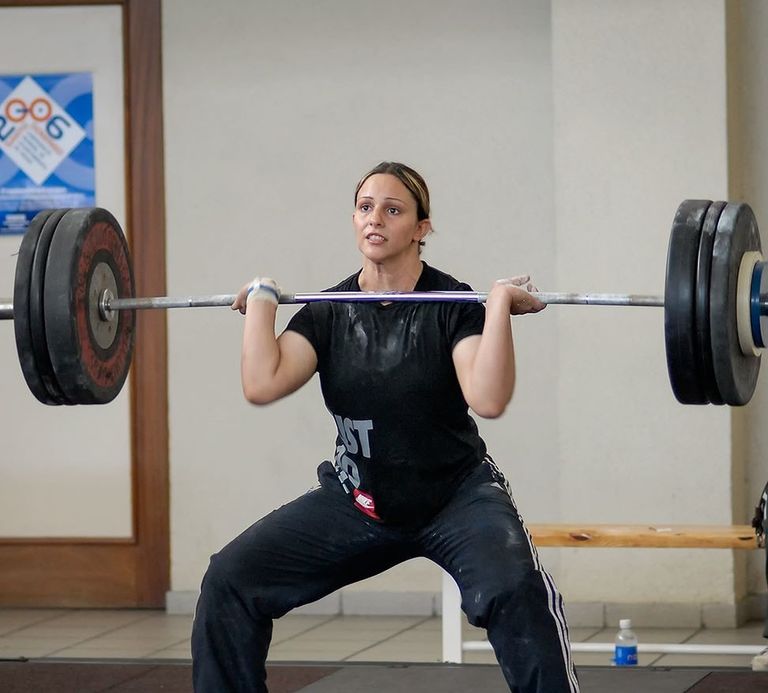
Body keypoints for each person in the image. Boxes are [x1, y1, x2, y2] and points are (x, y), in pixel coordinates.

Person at [191, 161, 579, 692]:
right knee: (230, 580)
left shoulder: (452, 305)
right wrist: (261, 300)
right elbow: (263, 382)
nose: (375, 219)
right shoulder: (329, 311)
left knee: (517, 591)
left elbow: (488, 398)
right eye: (365, 207)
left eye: (393, 210)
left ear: (421, 228)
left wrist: (496, 307)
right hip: (359, 500)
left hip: (456, 498)